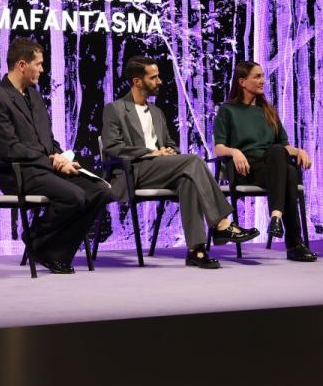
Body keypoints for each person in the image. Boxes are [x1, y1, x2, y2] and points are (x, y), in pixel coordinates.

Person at [101, 56, 259, 269]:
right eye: (154, 77)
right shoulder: (116, 108)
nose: (159, 81)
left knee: (188, 180)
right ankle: (222, 224)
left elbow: (170, 144)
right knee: (193, 161)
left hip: (160, 170)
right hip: (133, 171)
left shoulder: (156, 112)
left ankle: (196, 250)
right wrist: (151, 153)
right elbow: (112, 146)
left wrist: (168, 152)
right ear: (137, 82)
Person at [0, 37, 113, 274]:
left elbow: (47, 140)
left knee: (100, 190)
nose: (42, 69)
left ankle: (40, 241)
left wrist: (61, 157)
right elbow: (9, 149)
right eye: (38, 64)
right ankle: (47, 247)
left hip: (44, 168)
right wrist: (52, 162)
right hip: (17, 172)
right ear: (22, 64)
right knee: (74, 196)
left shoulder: (34, 96)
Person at [212, 61, 319, 262]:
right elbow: (218, 149)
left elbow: (284, 146)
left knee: (281, 157)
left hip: (272, 166)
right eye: (257, 76)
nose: (262, 81)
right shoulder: (228, 110)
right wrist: (234, 152)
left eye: (263, 76)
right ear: (242, 82)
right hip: (246, 170)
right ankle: (294, 244)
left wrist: (299, 150)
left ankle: (276, 217)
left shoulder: (268, 111)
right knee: (289, 172)